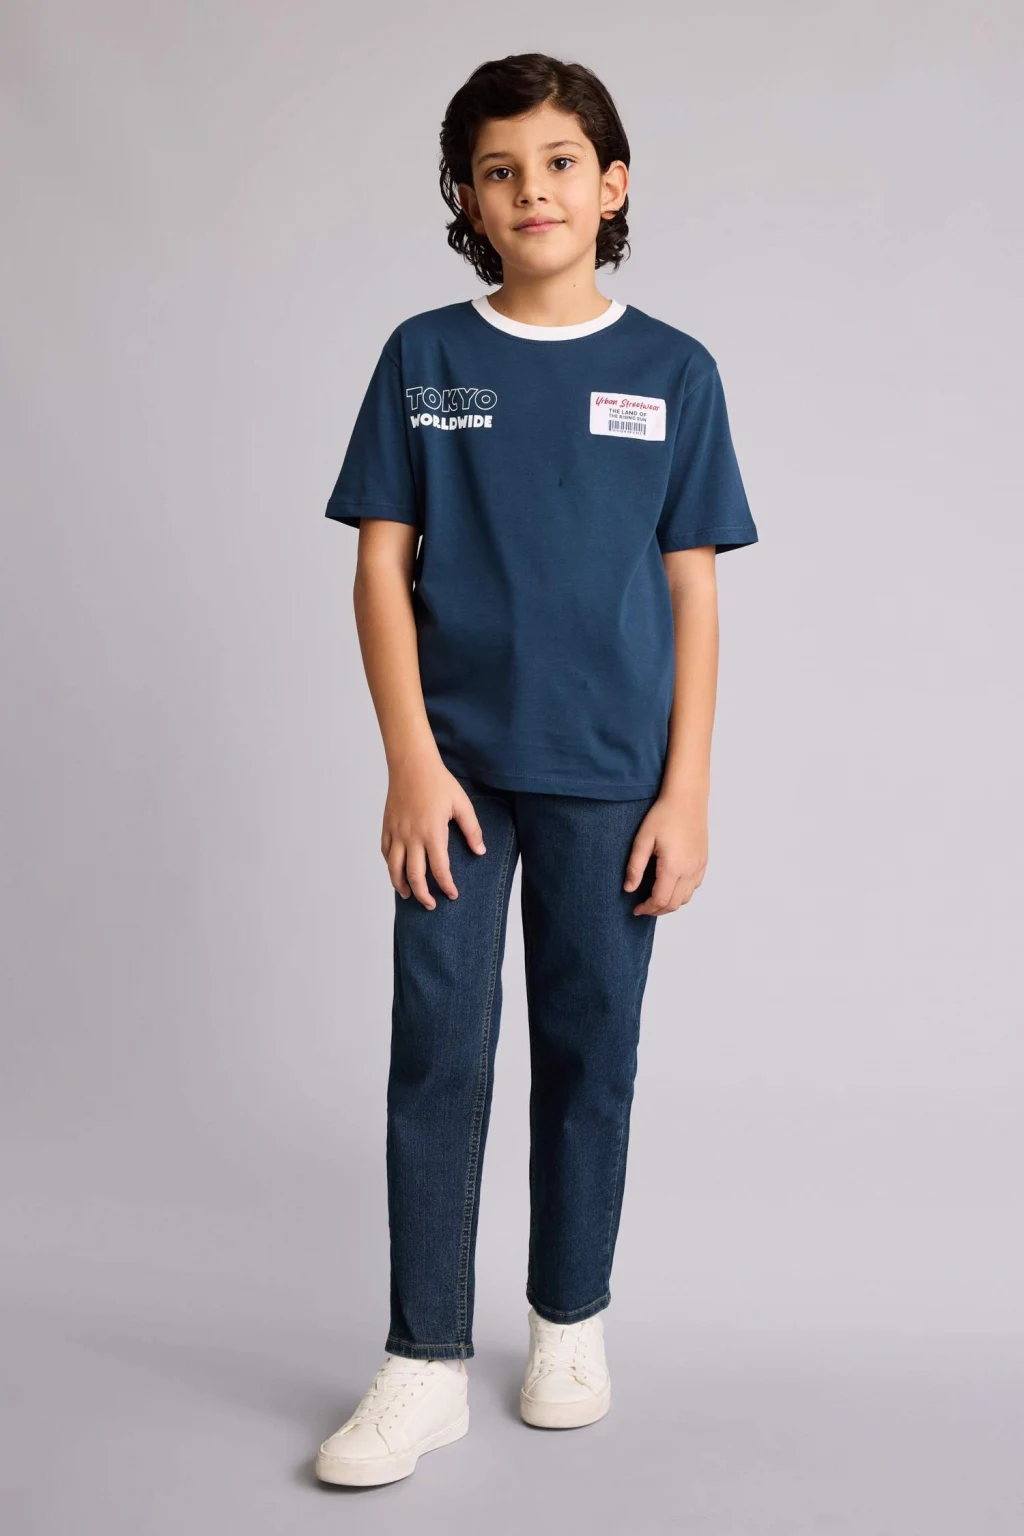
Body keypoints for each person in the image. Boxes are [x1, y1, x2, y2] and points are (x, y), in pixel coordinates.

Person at [314, 52, 759, 1488]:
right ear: (466, 198)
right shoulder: (425, 359)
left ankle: (569, 1323)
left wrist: (687, 791)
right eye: (499, 170)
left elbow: (693, 593)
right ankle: (423, 1362)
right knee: (439, 1054)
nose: (533, 190)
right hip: (456, 780)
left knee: (589, 1051)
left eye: (561, 163)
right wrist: (410, 762)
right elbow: (382, 572)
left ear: (611, 185)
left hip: (613, 777)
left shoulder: (675, 372)